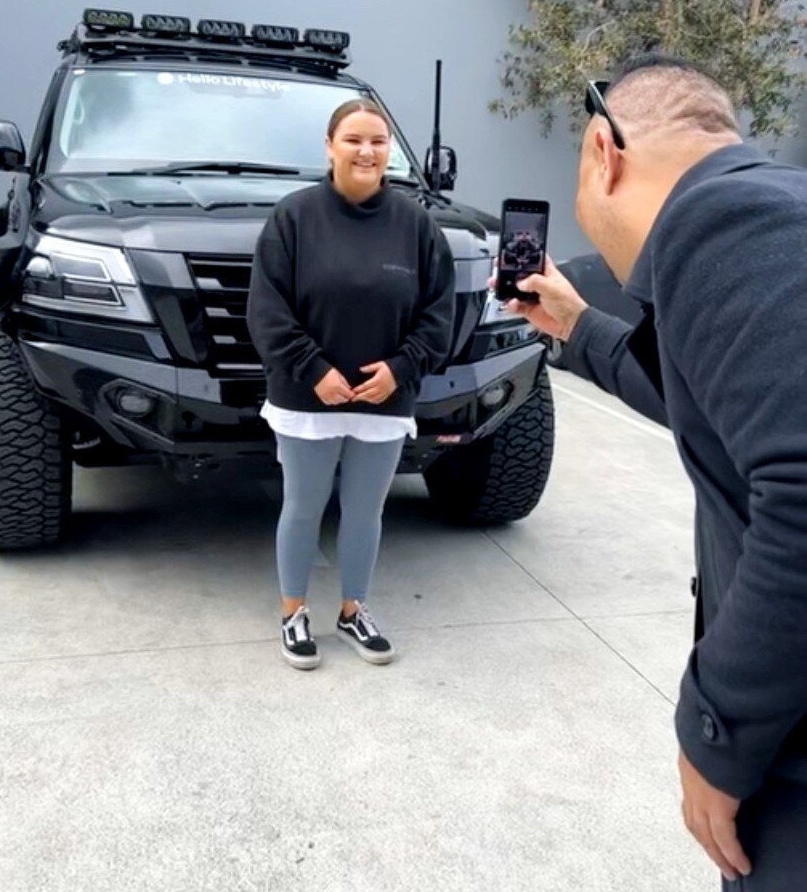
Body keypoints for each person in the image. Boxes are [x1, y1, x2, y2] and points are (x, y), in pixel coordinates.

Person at [506, 56, 807, 890]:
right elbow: (712, 406)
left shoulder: (719, 221)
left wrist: (717, 731)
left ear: (604, 153)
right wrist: (577, 325)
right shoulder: (777, 209)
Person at [247, 98, 455, 671]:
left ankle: (352, 610)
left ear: (391, 151)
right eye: (354, 140)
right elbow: (267, 311)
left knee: (366, 512)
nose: (367, 151)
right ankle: (293, 612)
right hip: (306, 398)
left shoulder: (417, 225)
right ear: (329, 147)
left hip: (385, 400)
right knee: (303, 507)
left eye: (378, 141)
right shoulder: (293, 219)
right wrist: (314, 370)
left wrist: (401, 369)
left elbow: (439, 314)